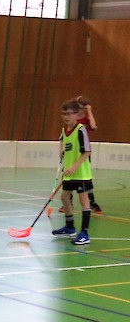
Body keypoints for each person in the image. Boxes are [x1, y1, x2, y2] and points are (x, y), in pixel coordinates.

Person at [52, 99, 94, 245]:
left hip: (81, 172)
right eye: (63, 114)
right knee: (65, 198)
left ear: (77, 114)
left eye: (69, 114)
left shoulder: (81, 130)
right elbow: (63, 142)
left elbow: (87, 151)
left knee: (84, 201)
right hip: (69, 172)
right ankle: (70, 228)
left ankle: (85, 233)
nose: (66, 117)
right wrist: (61, 151)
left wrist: (74, 167)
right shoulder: (64, 130)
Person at [59, 96, 102, 214]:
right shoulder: (70, 120)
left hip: (83, 151)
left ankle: (92, 203)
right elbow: (63, 137)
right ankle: (68, 203)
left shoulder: (85, 120)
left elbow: (93, 127)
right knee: (68, 177)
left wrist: (89, 111)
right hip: (71, 152)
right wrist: (62, 149)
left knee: (84, 180)